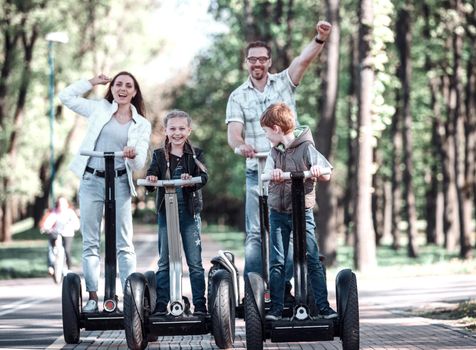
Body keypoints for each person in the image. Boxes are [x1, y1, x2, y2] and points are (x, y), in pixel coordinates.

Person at [225, 21, 332, 291]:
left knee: (286, 232)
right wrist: (242, 146)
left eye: (262, 58)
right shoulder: (237, 96)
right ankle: (254, 293)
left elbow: (303, 61)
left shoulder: (284, 83)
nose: (257, 63)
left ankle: (281, 288)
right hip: (257, 170)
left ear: (269, 61)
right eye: (252, 59)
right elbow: (234, 133)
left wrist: (319, 38)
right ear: (246, 63)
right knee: (254, 234)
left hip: (288, 171)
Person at [58, 72, 151, 313]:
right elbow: (65, 96)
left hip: (120, 182)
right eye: (118, 84)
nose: (122, 88)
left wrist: (132, 155)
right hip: (92, 180)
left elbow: (139, 161)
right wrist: (91, 82)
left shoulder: (141, 124)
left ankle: (130, 299)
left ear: (134, 92)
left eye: (128, 85)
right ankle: (92, 298)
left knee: (124, 243)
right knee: (90, 242)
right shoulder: (99, 109)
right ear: (112, 88)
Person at [260, 102, 337, 320]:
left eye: (266, 132)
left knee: (311, 257)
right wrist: (274, 173)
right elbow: (266, 175)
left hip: (302, 212)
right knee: (277, 260)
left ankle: (323, 307)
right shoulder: (274, 152)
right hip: (277, 212)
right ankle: (276, 308)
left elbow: (326, 172)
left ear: (276, 128)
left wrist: (315, 171)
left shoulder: (306, 148)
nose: (266, 137)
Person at [145, 110, 208, 316]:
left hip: (189, 213)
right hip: (166, 212)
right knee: (165, 260)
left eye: (182, 128)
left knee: (195, 262)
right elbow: (151, 173)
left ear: (188, 130)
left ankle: (200, 305)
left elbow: (204, 176)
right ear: (166, 130)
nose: (177, 133)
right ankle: (162, 304)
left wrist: (192, 180)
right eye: (172, 129)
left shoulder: (196, 154)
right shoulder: (159, 154)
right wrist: (152, 179)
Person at [40, 196, 80, 275]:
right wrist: (46, 228)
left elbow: (76, 224)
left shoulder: (70, 213)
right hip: (56, 233)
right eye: (60, 204)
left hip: (68, 233)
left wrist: (74, 227)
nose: (62, 206)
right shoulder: (54, 212)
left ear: (67, 204)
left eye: (64, 204)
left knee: (67, 250)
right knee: (51, 248)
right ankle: (51, 266)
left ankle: (69, 268)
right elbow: (48, 222)